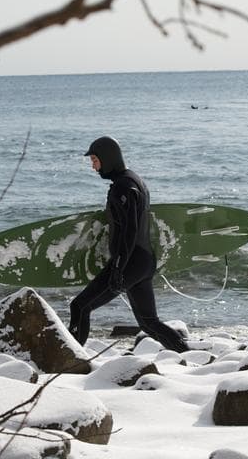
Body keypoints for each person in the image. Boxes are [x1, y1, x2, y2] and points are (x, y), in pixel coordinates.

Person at [68, 136, 189, 353]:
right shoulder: (134, 180)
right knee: (149, 322)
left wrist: (118, 268)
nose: (93, 166)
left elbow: (129, 231)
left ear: (108, 158)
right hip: (143, 261)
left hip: (130, 262)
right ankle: (189, 354)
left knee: (80, 306)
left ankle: (68, 361)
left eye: (95, 160)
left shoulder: (123, 187)